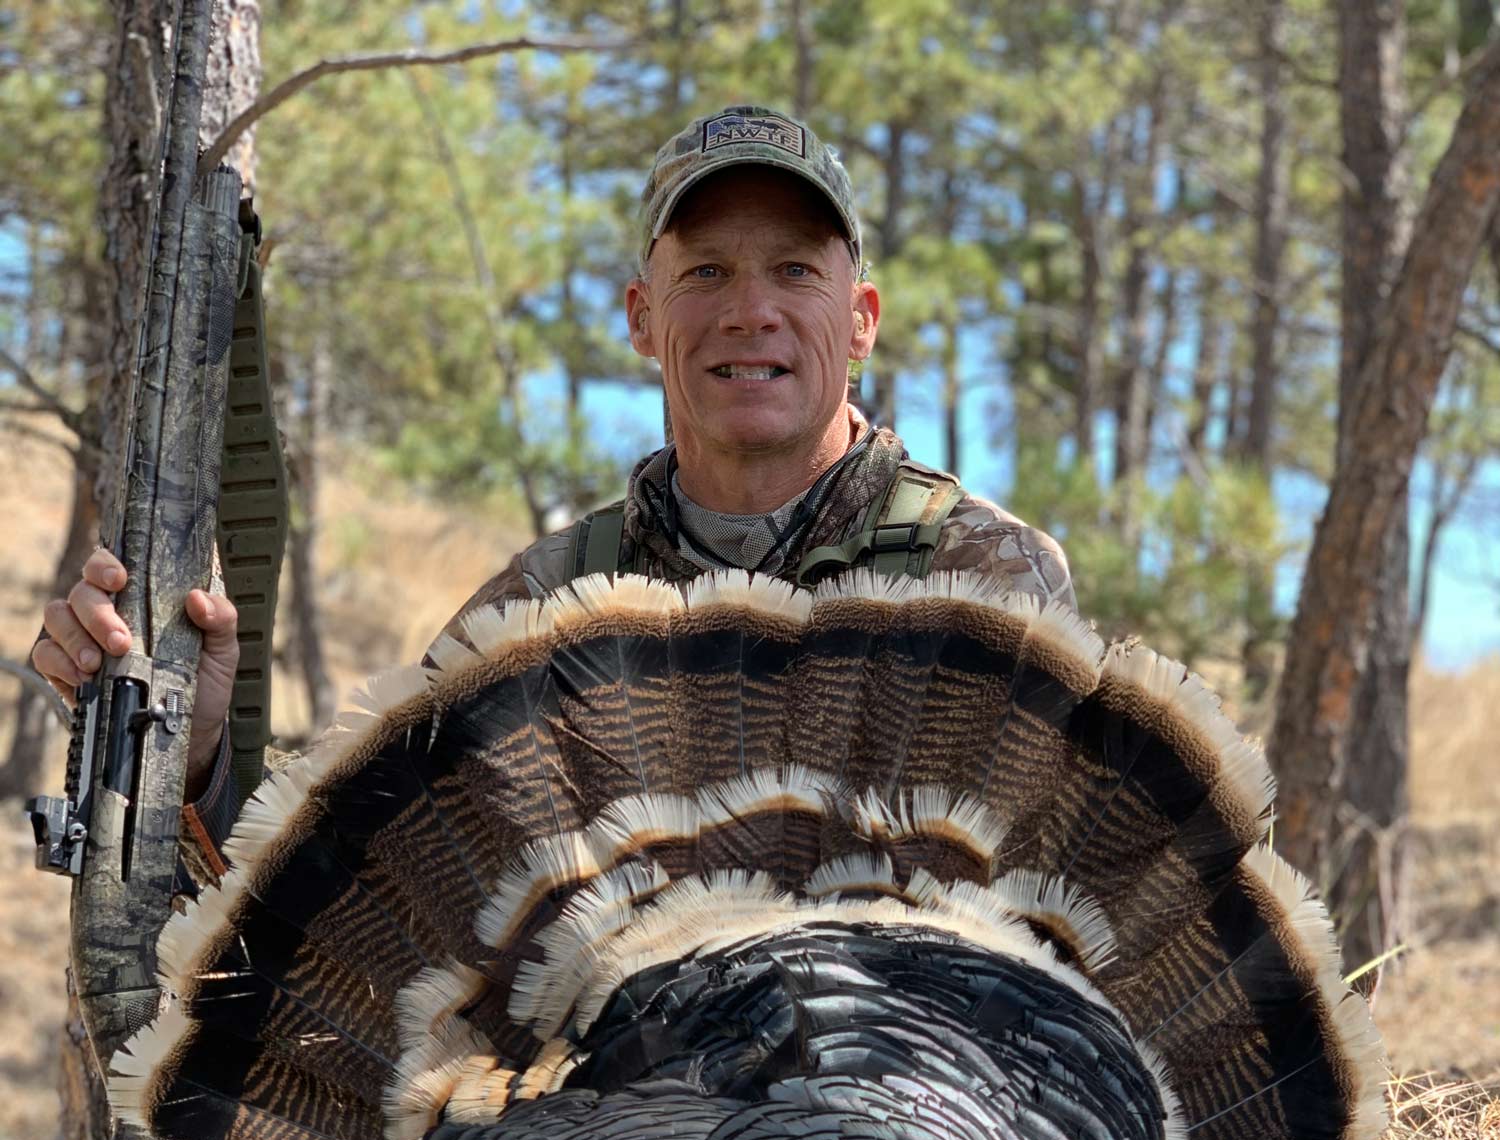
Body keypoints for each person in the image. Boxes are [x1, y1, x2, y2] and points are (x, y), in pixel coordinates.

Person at [32, 105, 1074, 864]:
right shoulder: (547, 600)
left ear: (862, 319)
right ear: (639, 316)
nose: (750, 310)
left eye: (796, 270)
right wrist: (205, 746)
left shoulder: (984, 576)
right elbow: (369, 879)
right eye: (706, 271)